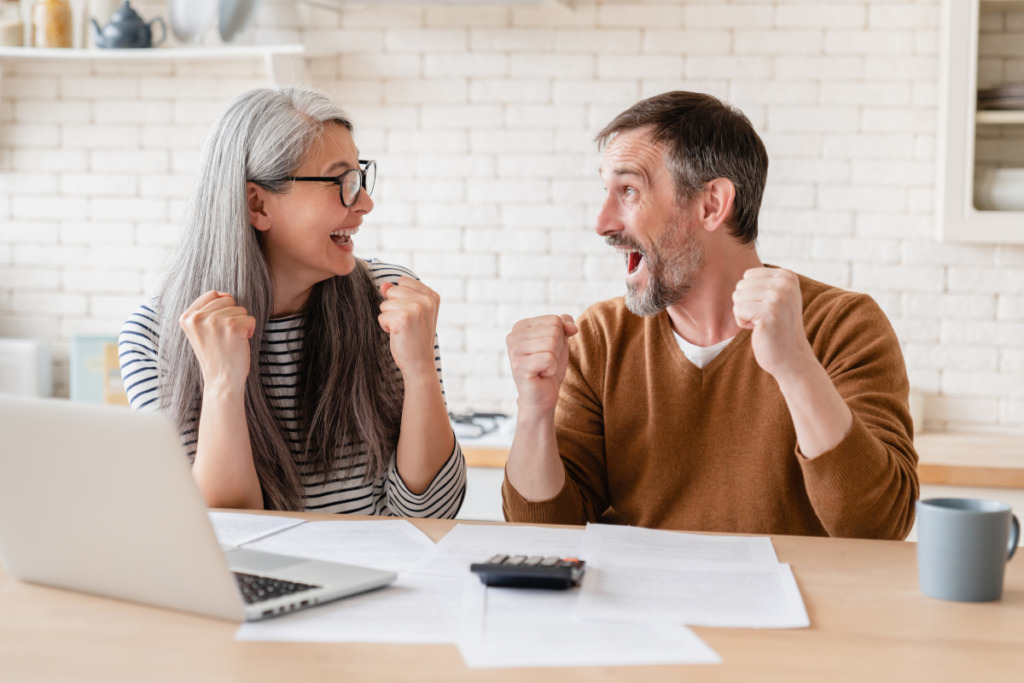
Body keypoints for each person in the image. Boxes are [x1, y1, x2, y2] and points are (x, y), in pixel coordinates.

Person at [502, 91, 918, 539]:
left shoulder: (844, 326)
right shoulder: (601, 338)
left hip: (797, 608)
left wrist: (796, 367)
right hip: (639, 605)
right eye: (606, 191)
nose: (602, 222)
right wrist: (534, 411)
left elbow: (878, 528)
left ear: (712, 205)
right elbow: (544, 534)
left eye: (628, 191)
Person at [118, 86, 465, 518]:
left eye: (359, 177)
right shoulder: (155, 337)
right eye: (341, 182)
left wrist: (419, 372)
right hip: (251, 586)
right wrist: (224, 385)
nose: (365, 203)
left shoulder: (390, 301)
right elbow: (223, 533)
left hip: (385, 584)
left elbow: (433, 514)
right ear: (257, 203)